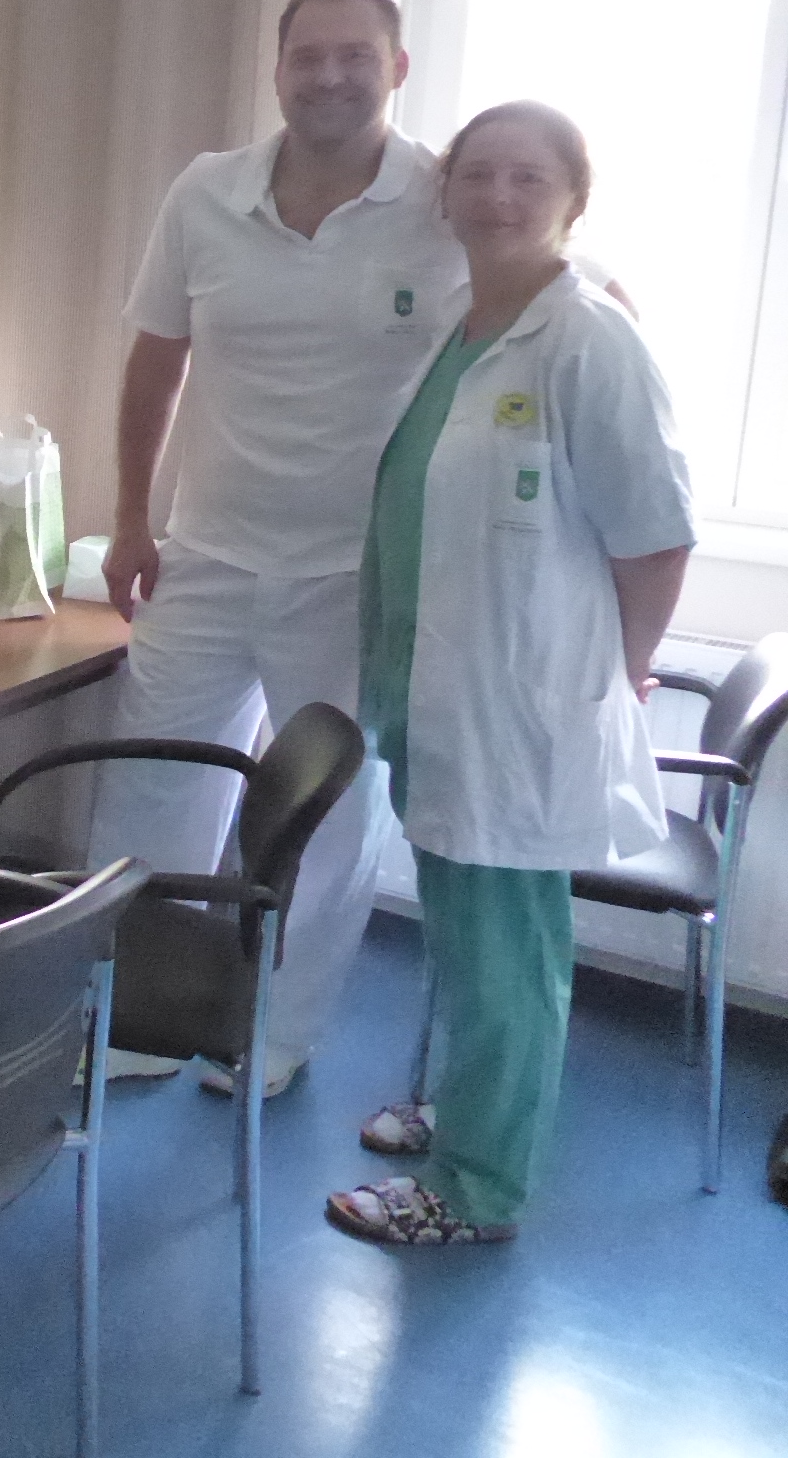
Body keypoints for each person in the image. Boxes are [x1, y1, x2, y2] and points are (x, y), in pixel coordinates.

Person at [92, 0, 469, 1096]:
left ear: (398, 69)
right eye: (308, 56)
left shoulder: (446, 199)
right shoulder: (207, 193)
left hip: (355, 574)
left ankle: (279, 1033)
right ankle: (136, 1011)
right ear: (277, 70)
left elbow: (557, 286)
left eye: (356, 56)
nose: (330, 76)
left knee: (325, 818)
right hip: (205, 551)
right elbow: (155, 362)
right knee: (152, 786)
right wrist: (130, 516)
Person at [327, 102, 691, 1246]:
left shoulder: (588, 340)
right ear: (444, 192)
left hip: (520, 699)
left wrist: (624, 670)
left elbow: (657, 537)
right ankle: (466, 1111)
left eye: (527, 177)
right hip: (429, 684)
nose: (496, 196)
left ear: (573, 199)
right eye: (476, 173)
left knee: (505, 954)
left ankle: (476, 1189)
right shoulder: (461, 324)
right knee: (466, 933)